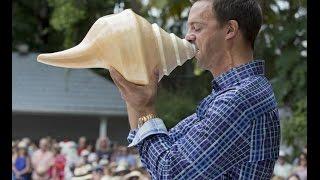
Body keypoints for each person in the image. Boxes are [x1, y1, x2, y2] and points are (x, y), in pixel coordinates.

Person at [109, 0, 280, 179]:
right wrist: (133, 89)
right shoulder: (235, 94)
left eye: (196, 28)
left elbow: (171, 172)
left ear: (230, 30)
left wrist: (145, 108)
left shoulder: (240, 99)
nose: (188, 37)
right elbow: (157, 149)